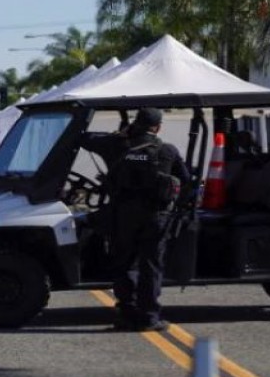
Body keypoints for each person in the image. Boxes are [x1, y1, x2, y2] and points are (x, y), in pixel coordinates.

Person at [81, 108, 190, 332]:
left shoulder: (117, 146)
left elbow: (85, 138)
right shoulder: (167, 151)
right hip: (155, 216)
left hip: (123, 215)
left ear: (135, 123)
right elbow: (186, 179)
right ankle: (149, 316)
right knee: (151, 265)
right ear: (158, 127)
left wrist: (119, 135)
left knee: (124, 263)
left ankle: (127, 314)